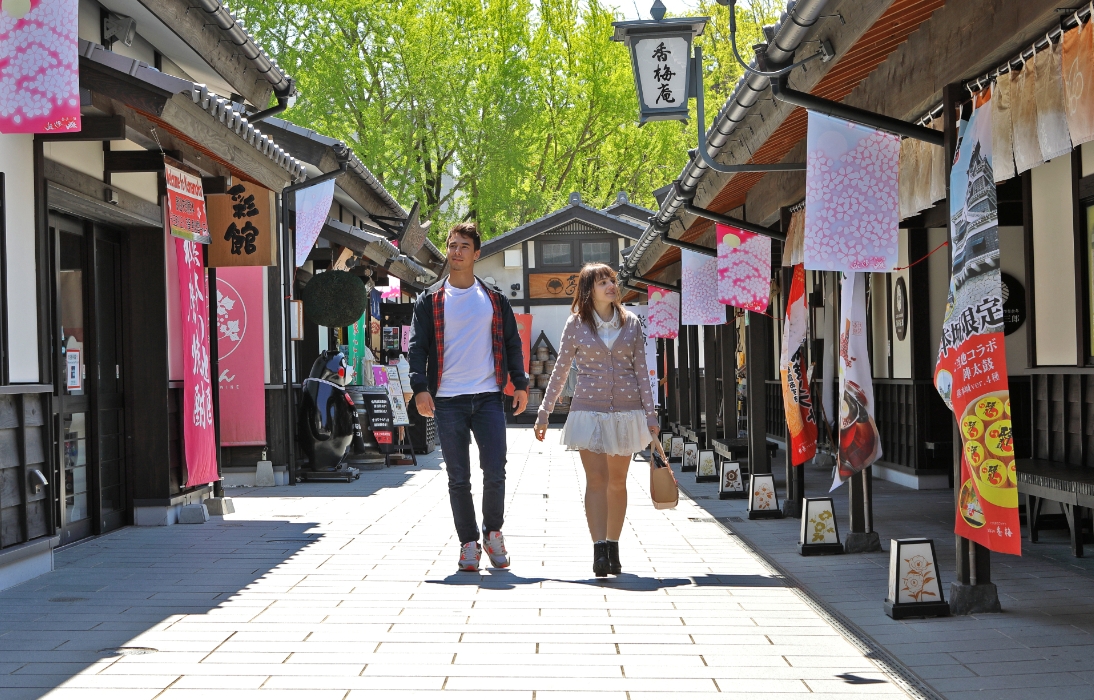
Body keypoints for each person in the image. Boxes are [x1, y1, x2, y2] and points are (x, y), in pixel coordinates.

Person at [408, 222, 529, 572]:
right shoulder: (430, 300)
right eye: (452, 245)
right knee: (458, 477)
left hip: (489, 397)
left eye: (464, 246)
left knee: (495, 471)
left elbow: (511, 343)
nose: (456, 251)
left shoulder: (493, 299)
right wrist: (420, 389)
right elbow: (418, 349)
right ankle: (469, 543)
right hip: (447, 401)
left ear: (476, 254)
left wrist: (519, 384)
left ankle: (493, 533)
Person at [534, 263, 658, 577]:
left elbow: (642, 372)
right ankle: (599, 549)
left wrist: (651, 414)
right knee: (596, 481)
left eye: (612, 281)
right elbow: (560, 370)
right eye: (603, 282)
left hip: (626, 412)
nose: (611, 286)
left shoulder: (631, 324)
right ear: (589, 290)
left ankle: (613, 546)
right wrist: (544, 412)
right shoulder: (575, 324)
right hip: (587, 410)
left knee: (618, 482)